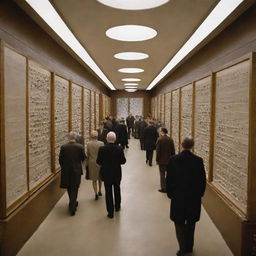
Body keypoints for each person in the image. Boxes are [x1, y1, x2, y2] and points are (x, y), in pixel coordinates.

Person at [166, 137, 206, 256]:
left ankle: (182, 247)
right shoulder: (198, 160)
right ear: (192, 146)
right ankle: (189, 246)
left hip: (178, 197)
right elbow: (202, 180)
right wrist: (200, 194)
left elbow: (169, 179)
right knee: (191, 222)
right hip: (193, 198)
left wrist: (170, 193)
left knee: (179, 222)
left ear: (182, 145)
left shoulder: (173, 160)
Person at [96, 132, 126, 218]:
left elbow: (98, 162)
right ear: (115, 139)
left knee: (108, 192)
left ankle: (110, 212)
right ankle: (117, 207)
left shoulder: (102, 149)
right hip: (116, 173)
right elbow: (123, 161)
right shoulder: (119, 149)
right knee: (117, 189)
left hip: (106, 173)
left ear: (106, 138)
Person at [59, 131, 86, 216]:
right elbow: (83, 158)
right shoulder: (80, 147)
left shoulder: (63, 147)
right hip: (76, 170)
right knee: (75, 187)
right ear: (75, 138)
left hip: (66, 170)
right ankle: (72, 206)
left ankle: (72, 202)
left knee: (69, 187)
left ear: (68, 137)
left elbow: (60, 160)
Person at [156, 127, 175, 193]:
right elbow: (173, 151)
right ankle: (169, 186)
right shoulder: (170, 139)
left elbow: (158, 151)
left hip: (161, 160)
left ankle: (164, 188)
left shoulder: (159, 140)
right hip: (169, 160)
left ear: (162, 132)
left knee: (162, 175)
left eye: (160, 131)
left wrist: (157, 160)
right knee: (169, 174)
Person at [87, 131, 104, 200]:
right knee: (100, 178)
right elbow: (103, 154)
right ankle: (100, 190)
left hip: (92, 162)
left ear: (91, 136)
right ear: (97, 136)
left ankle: (96, 193)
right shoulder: (101, 143)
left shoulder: (88, 144)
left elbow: (88, 154)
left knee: (94, 179)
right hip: (100, 162)